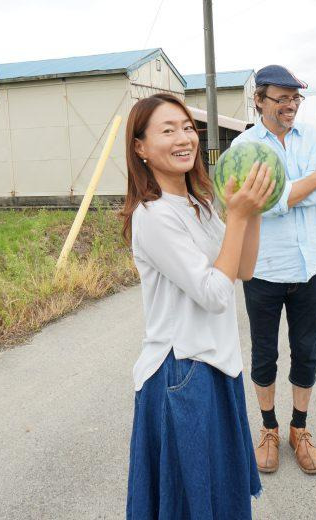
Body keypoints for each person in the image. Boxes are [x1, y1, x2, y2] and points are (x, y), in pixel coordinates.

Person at [122, 93, 275, 520]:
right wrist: (239, 218)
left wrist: (253, 212)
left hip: (218, 367)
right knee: (190, 505)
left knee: (219, 498)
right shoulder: (152, 216)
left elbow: (243, 268)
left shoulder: (200, 205)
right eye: (167, 130)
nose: (183, 137)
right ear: (141, 148)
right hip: (181, 371)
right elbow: (213, 293)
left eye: (187, 127)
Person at [230, 65, 316, 476]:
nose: (291, 105)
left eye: (296, 98)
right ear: (259, 100)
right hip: (263, 266)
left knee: (306, 352)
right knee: (264, 354)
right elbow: (257, 202)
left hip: (311, 263)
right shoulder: (243, 147)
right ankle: (269, 428)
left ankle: (300, 428)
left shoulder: (313, 138)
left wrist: (296, 188)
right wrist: (307, 183)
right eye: (282, 98)